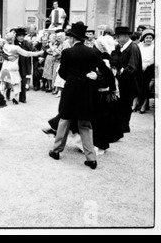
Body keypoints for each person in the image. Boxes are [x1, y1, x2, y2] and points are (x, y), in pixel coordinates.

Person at [48, 23, 116, 170]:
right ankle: (91, 158)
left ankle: (56, 151)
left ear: (72, 38)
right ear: (84, 38)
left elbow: (62, 73)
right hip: (87, 92)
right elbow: (106, 71)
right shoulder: (93, 53)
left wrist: (72, 78)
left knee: (64, 120)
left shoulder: (67, 53)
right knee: (85, 124)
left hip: (71, 91)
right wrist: (112, 87)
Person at [110, 26, 143, 133]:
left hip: (129, 81)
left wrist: (120, 73)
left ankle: (124, 126)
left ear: (125, 36)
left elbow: (132, 67)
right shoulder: (119, 47)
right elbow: (114, 60)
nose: (117, 39)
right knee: (119, 104)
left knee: (126, 104)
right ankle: (118, 125)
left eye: (118, 37)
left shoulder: (133, 47)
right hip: (120, 80)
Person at [0, 32, 43, 104]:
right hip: (13, 67)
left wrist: (7, 57)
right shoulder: (16, 48)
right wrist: (38, 53)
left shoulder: (5, 46)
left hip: (5, 66)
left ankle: (2, 98)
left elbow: (2, 53)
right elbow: (27, 53)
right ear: (13, 38)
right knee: (16, 82)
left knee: (4, 82)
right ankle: (15, 98)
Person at [137, 29, 155, 114]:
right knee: (138, 84)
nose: (148, 39)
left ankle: (144, 104)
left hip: (150, 68)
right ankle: (137, 102)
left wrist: (147, 65)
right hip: (140, 67)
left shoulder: (154, 47)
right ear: (143, 38)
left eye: (150, 38)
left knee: (146, 86)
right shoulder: (140, 46)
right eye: (147, 37)